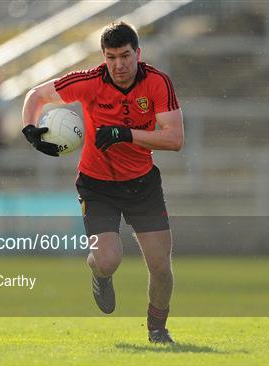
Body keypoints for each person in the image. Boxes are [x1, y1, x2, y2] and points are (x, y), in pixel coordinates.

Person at [21, 22, 183, 344]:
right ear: (103, 57)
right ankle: (99, 274)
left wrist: (127, 135)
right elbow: (36, 94)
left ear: (138, 53)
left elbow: (175, 139)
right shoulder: (89, 81)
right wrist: (30, 129)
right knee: (107, 260)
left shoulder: (157, 83)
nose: (119, 65)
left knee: (161, 268)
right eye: (111, 57)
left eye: (125, 56)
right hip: (97, 185)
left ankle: (157, 330)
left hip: (142, 184)